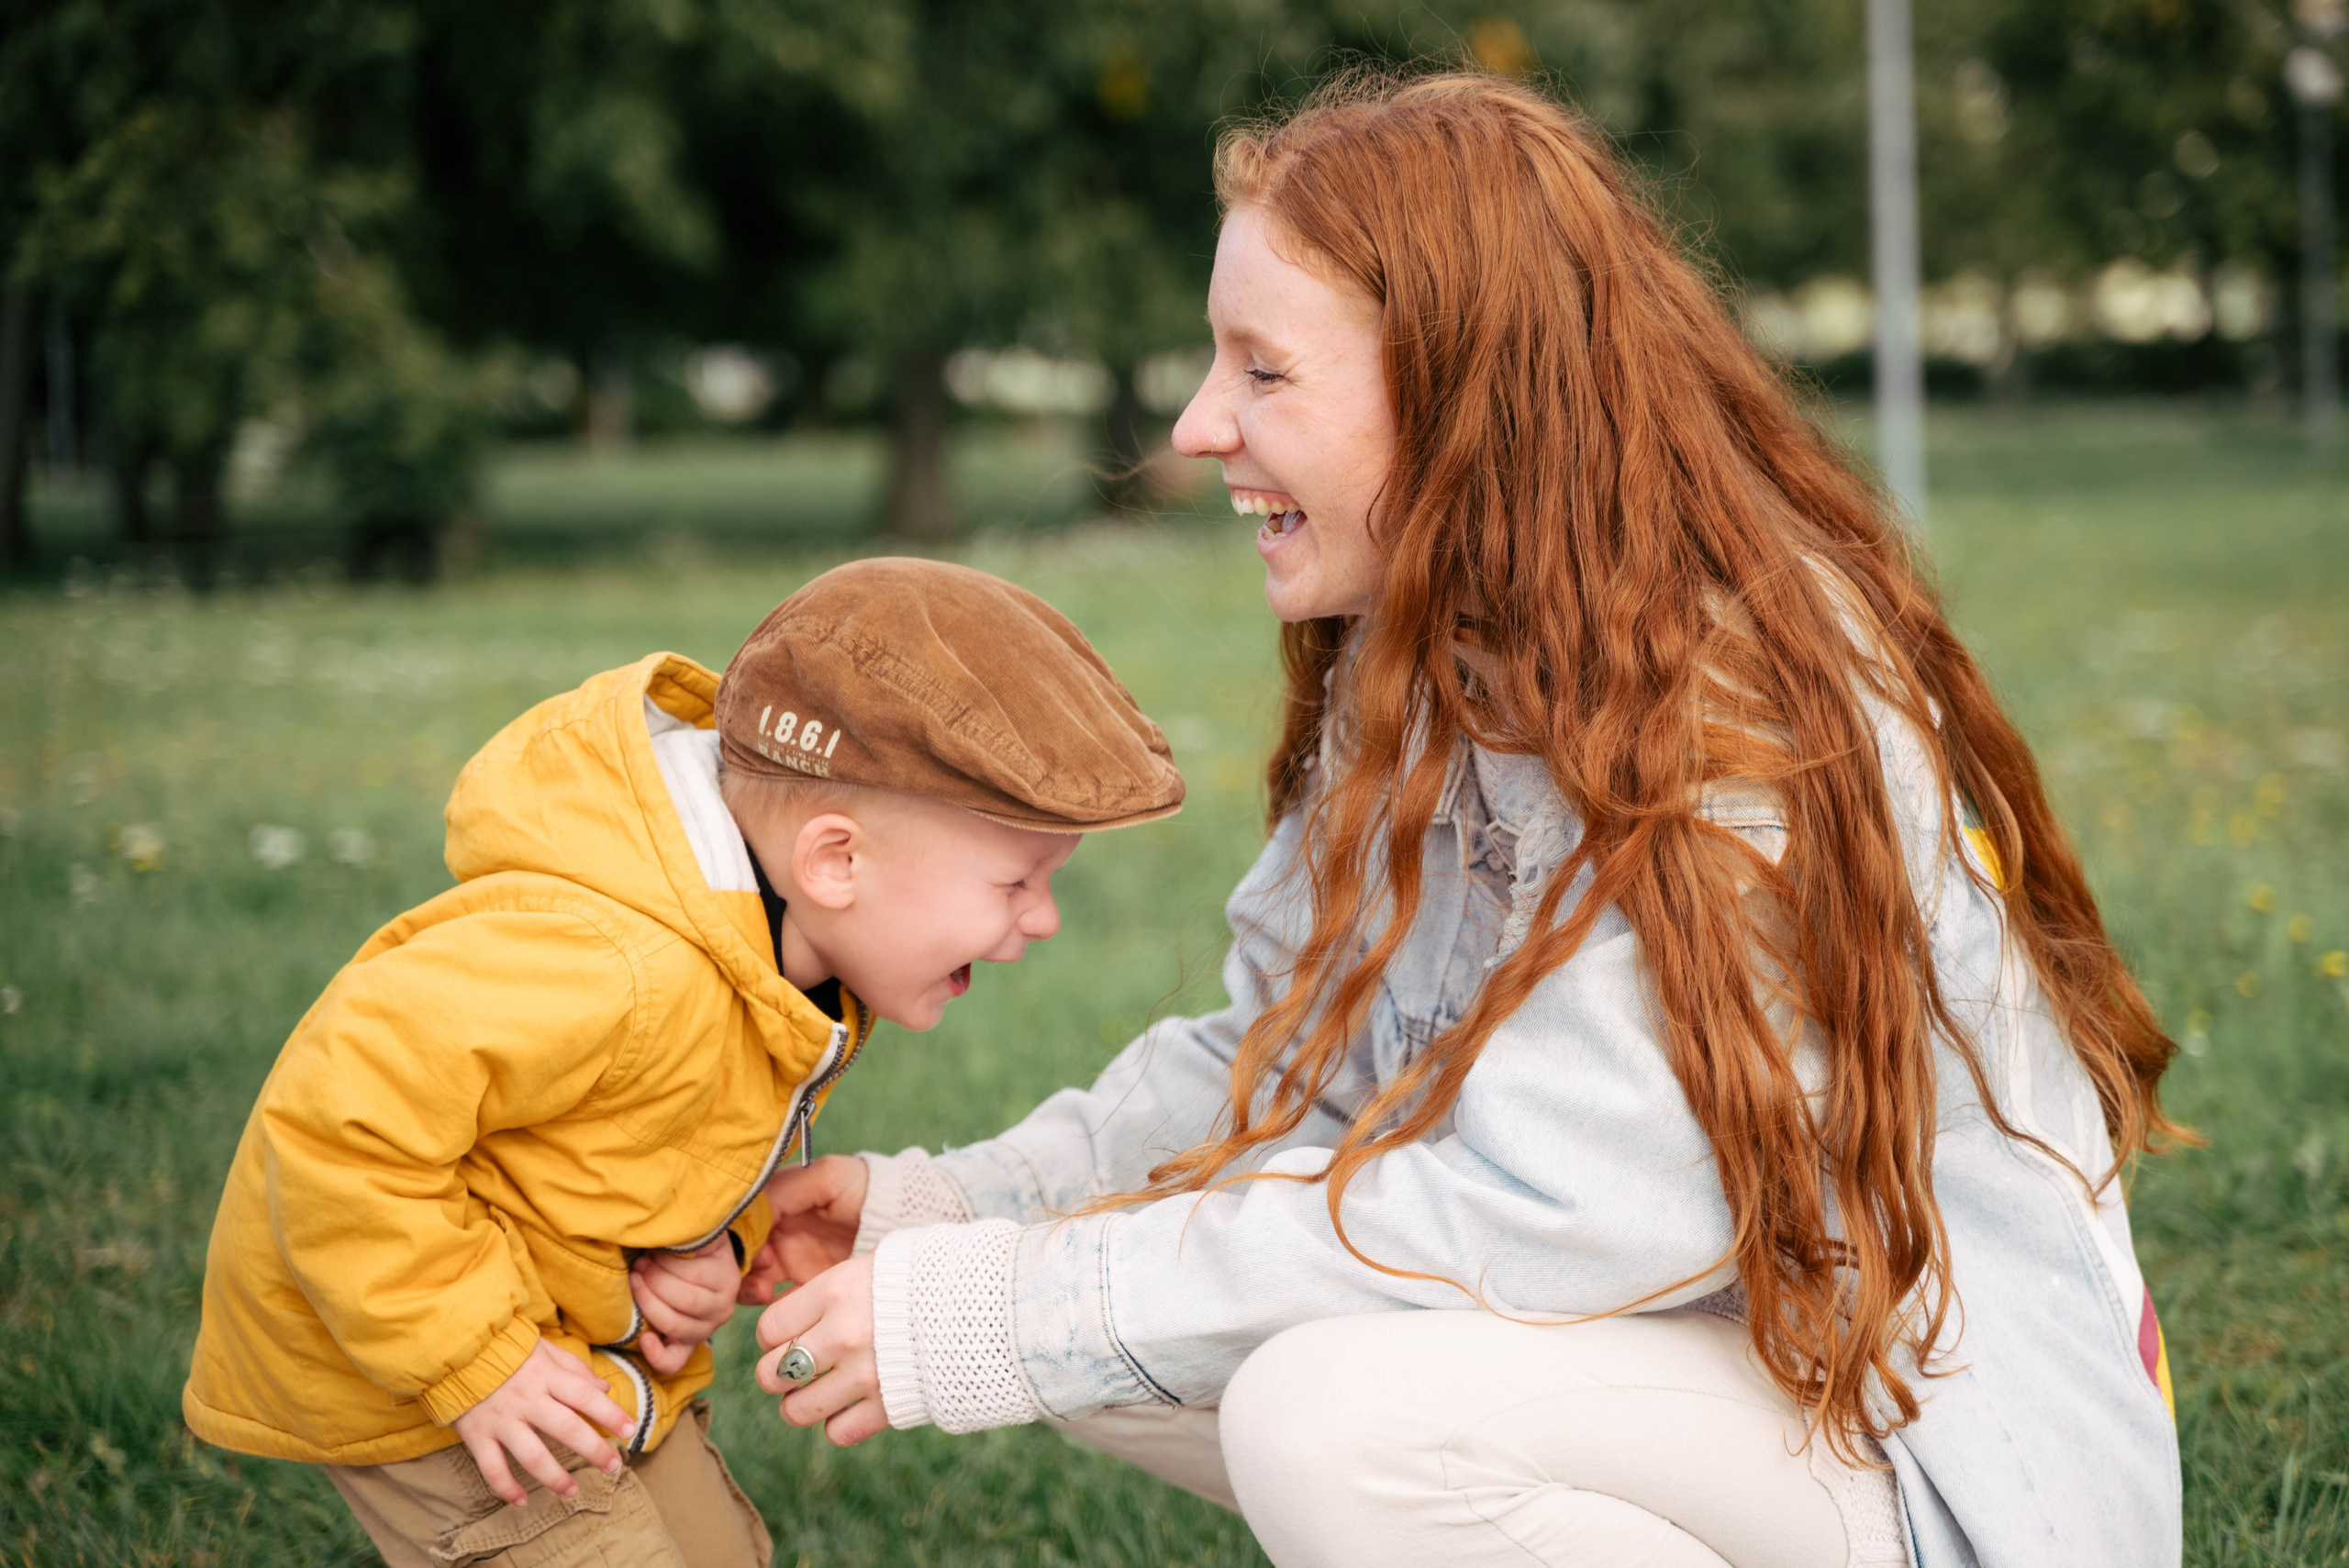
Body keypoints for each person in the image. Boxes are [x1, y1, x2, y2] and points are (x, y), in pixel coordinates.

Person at [739, 73, 2183, 1568]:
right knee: (1081, 1306)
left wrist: (1019, 1304)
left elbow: (1572, 1206)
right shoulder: (1434, 646)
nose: (1197, 420)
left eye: (1265, 371)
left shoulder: (1725, 696)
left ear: (1457, 386)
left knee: (1322, 1411)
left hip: (1915, 1443)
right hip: (1686, 1348)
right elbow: (1278, 1063)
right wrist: (957, 1216)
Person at [180, 558, 1185, 1568]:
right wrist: (478, 1361)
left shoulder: (772, 949)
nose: (1043, 919)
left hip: (572, 1344)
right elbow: (333, 1123)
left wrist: (710, 1246)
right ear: (834, 862)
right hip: (427, 1361)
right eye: (1017, 881)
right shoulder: (610, 962)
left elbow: (677, 1128)